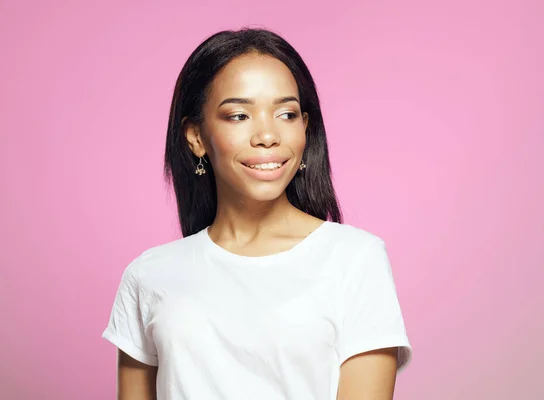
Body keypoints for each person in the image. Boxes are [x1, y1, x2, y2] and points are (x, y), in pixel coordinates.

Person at [102, 27, 412, 400]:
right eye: (238, 115)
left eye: (286, 113)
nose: (267, 135)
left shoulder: (355, 259)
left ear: (305, 128)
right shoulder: (148, 275)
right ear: (196, 137)